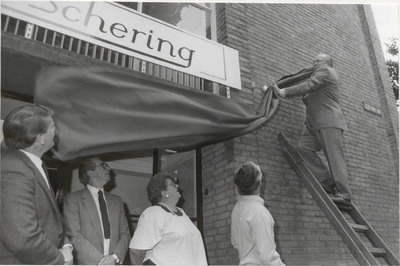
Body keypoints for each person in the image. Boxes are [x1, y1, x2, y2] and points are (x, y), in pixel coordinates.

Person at [268, 53, 351, 206]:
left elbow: (307, 86)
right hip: (313, 125)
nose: (314, 62)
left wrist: (282, 92)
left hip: (328, 121)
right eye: (314, 60)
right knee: (303, 148)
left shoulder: (327, 72)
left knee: (335, 157)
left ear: (328, 62)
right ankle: (327, 179)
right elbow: (305, 90)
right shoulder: (318, 78)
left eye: (318, 60)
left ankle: (344, 194)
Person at [0, 104, 73, 264]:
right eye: (53, 127)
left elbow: (49, 220)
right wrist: (59, 259)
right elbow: (22, 238)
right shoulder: (12, 168)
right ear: (40, 138)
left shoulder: (31, 165)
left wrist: (66, 244)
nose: (56, 132)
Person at [129, 172, 207, 266]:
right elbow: (136, 251)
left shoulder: (182, 213)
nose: (177, 186)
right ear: (164, 192)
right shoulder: (154, 213)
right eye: (172, 185)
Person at [63, 157, 131, 265]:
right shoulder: (72, 200)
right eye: (104, 166)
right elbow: (74, 236)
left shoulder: (117, 201)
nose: (108, 169)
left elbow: (125, 234)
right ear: (90, 173)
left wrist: (114, 257)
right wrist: (100, 262)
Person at [231, 161, 285, 266]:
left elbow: (234, 242)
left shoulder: (237, 208)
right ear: (259, 183)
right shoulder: (259, 212)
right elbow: (268, 257)